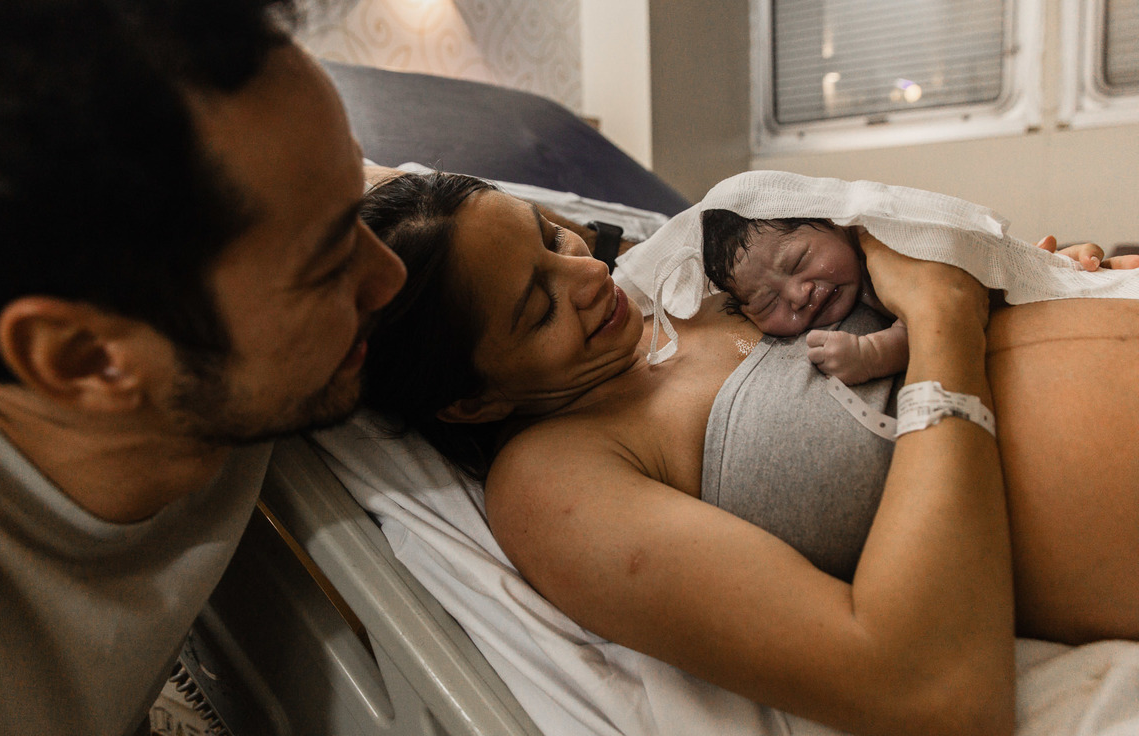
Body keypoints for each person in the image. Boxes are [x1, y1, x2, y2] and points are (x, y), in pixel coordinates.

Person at [360, 170, 1139, 736]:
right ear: (472, 401)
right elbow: (933, 691)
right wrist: (944, 318)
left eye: (551, 236)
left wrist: (1035, 278)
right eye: (539, 309)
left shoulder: (681, 276)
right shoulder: (556, 479)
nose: (591, 274)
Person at [0, 0, 405, 734]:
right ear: (87, 360)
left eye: (355, 209)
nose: (388, 277)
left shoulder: (226, 240)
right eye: (330, 267)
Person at [699, 209, 1138, 384]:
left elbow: (933, 319)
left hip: (1047, 298)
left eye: (799, 261)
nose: (797, 295)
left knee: (1085, 267)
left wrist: (871, 355)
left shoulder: (887, 254)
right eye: (767, 303)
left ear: (837, 224)